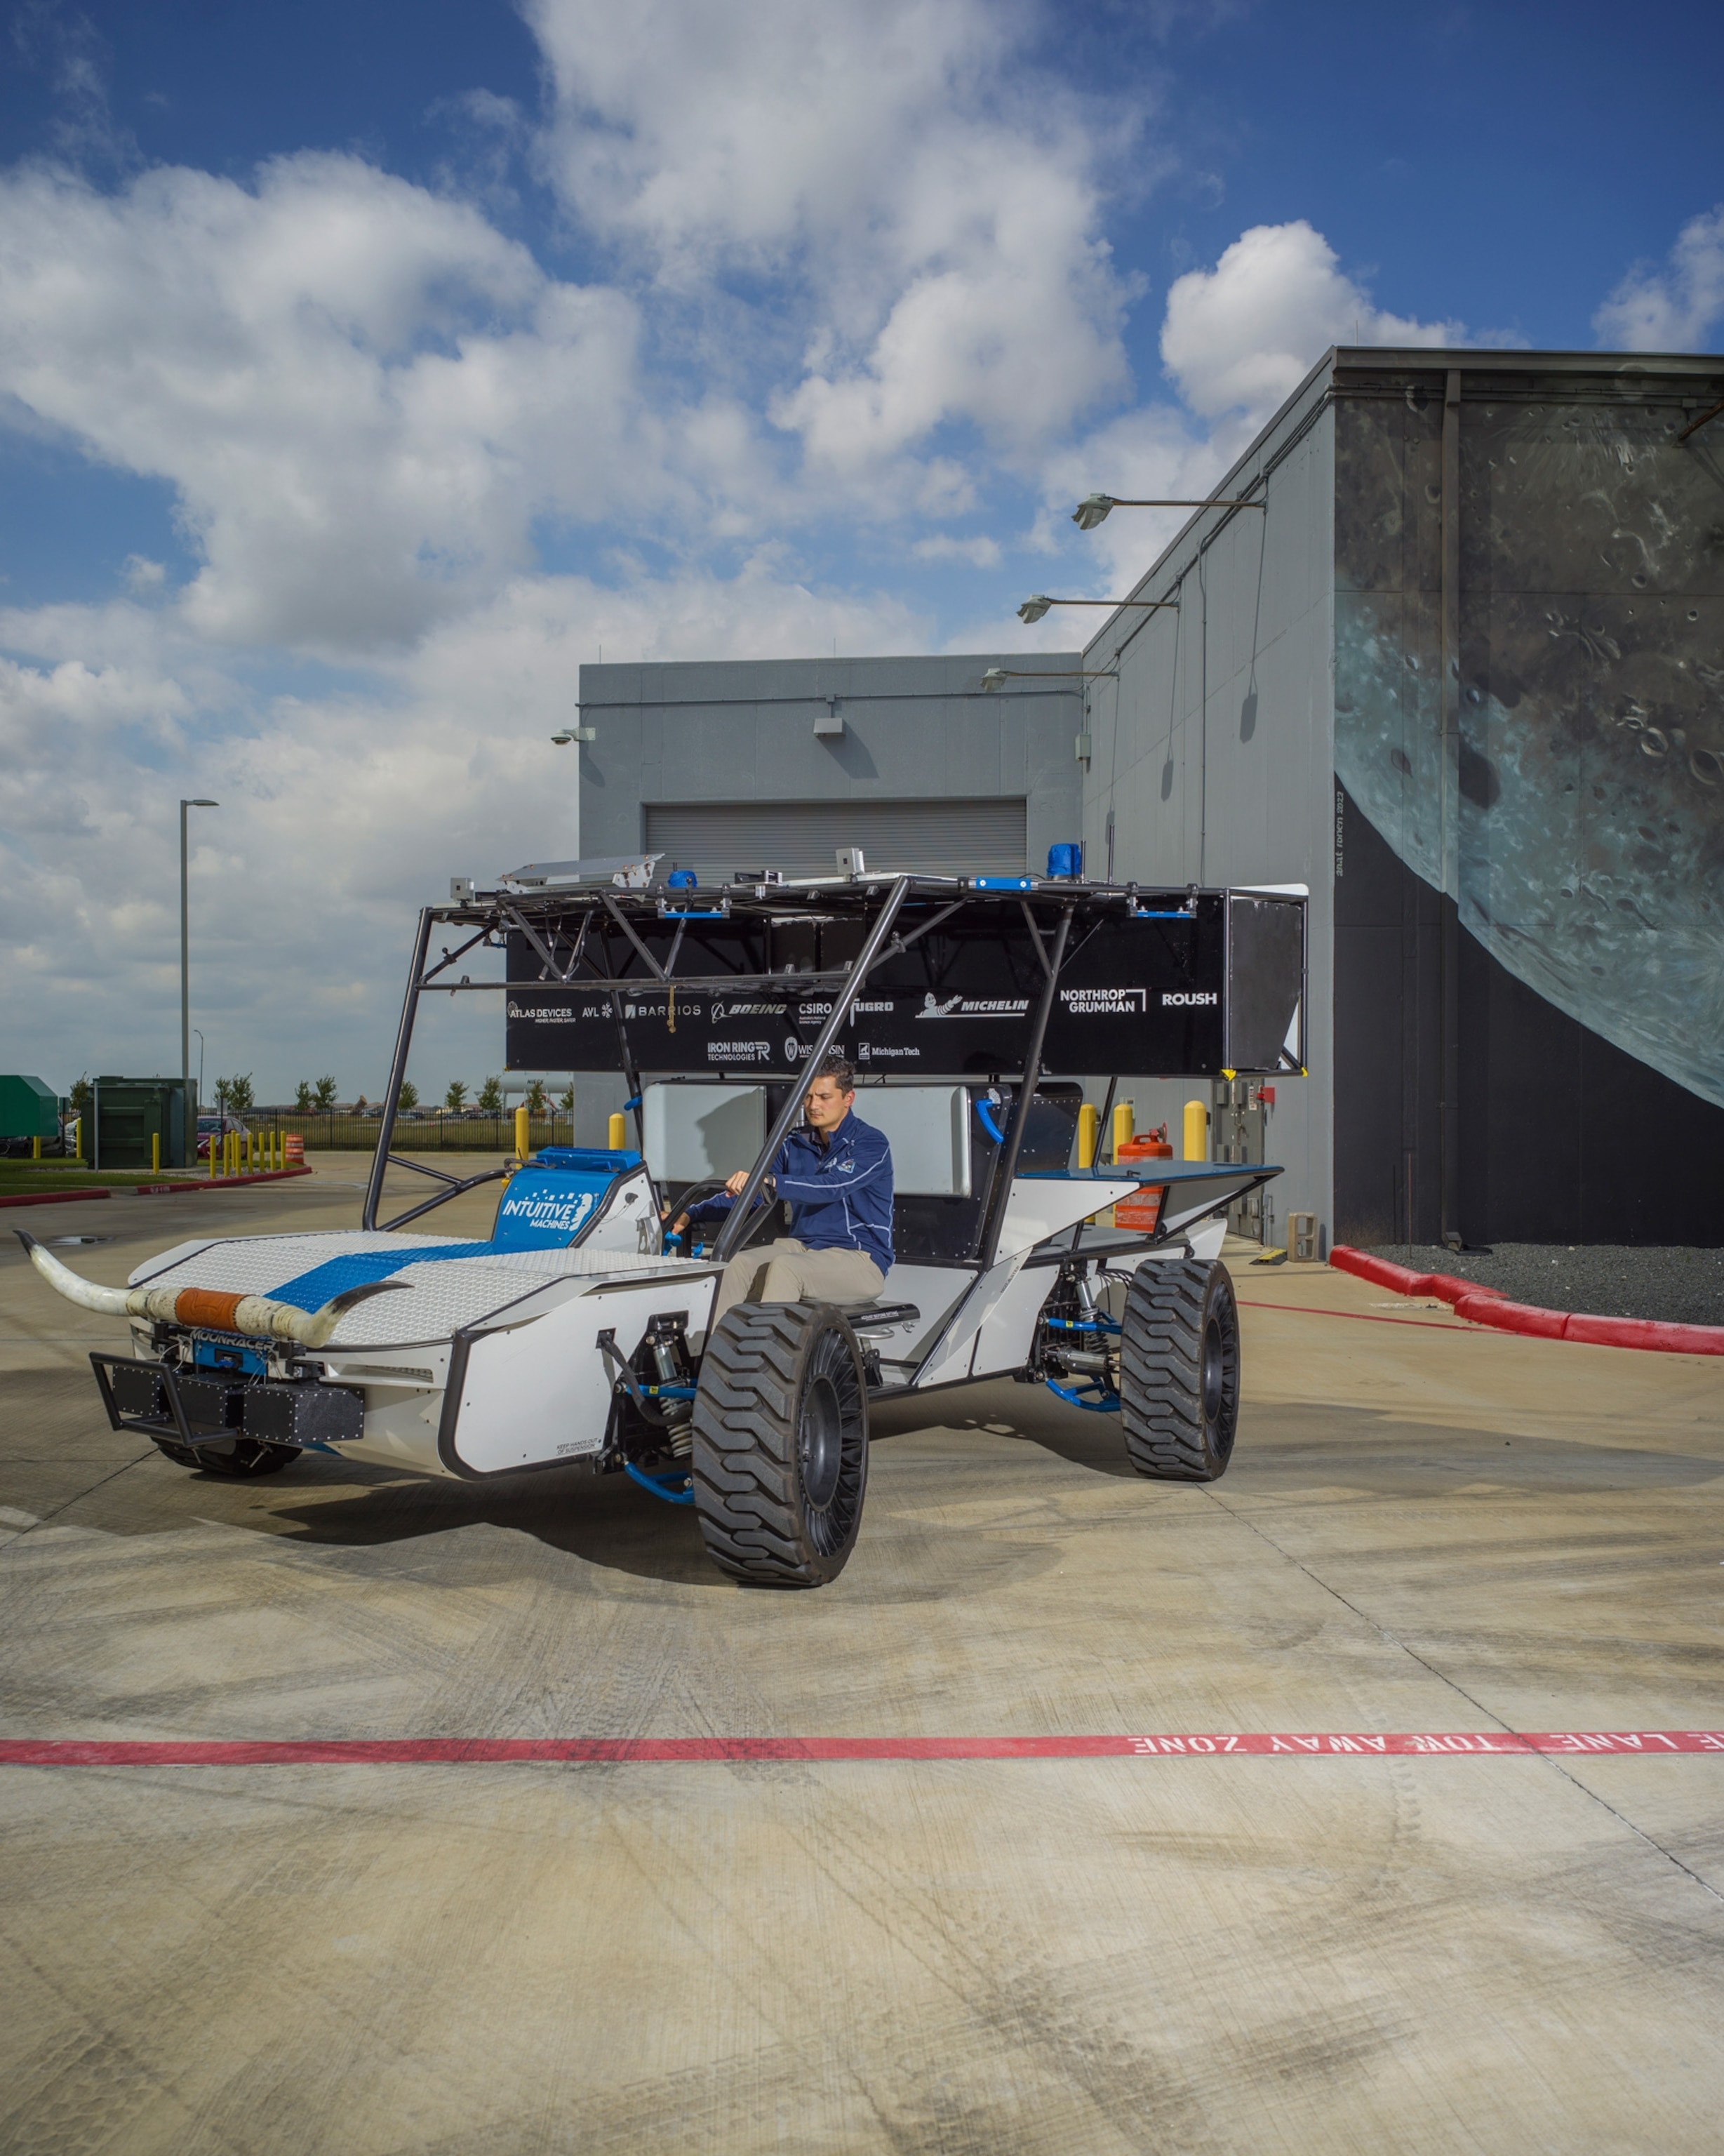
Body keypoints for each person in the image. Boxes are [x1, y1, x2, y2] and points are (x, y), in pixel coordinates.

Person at [675, 1054, 893, 1326]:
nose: (813, 1105)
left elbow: (833, 1186)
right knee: (734, 1267)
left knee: (786, 1268)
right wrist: (691, 1213)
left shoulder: (870, 1142)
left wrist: (774, 1182)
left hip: (860, 1258)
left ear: (848, 1099)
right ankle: (710, 1360)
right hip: (804, 1247)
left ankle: (766, 1364)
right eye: (808, 1096)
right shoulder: (794, 1142)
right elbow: (755, 1194)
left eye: (824, 1097)